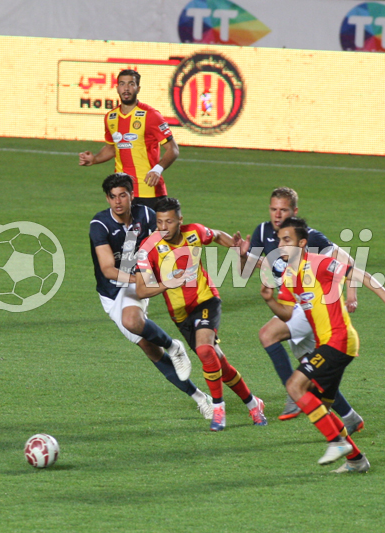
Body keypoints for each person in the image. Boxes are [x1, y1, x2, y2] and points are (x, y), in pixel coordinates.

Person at [261, 217, 385, 473]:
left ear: (302, 243)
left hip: (338, 340)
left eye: (287, 240)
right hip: (328, 344)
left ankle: (337, 442)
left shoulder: (317, 263)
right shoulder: (291, 275)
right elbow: (286, 314)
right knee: (322, 407)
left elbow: (356, 272)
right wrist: (269, 300)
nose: (281, 245)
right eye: (279, 240)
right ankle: (357, 460)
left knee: (296, 386)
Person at [234, 187, 364, 433]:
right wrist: (241, 256)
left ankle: (293, 396)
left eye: (283, 209)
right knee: (312, 368)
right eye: (273, 209)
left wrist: (353, 296)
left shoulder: (310, 237)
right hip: (292, 304)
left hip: (311, 306)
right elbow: (244, 273)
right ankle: (349, 416)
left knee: (268, 335)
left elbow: (349, 262)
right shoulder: (262, 232)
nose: (277, 214)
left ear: (294, 211)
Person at [135, 197, 267, 432]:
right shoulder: (147, 248)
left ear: (180, 221)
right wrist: (168, 283)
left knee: (205, 350)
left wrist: (236, 247)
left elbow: (215, 235)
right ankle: (253, 403)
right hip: (180, 315)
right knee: (218, 362)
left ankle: (218, 409)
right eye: (159, 222)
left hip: (206, 300)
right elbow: (142, 289)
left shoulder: (194, 233)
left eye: (169, 222)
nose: (163, 228)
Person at [90, 173, 213, 420]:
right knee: (149, 348)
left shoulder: (146, 215)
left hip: (139, 281)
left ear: (132, 195)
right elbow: (107, 269)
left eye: (122, 195)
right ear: (107, 198)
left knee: (133, 321)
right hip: (114, 289)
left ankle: (174, 346)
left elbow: (170, 229)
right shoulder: (100, 225)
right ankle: (200, 397)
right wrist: (143, 279)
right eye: (112, 197)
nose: (118, 202)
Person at [79, 69, 179, 210]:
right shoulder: (111, 117)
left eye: (131, 84)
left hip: (149, 190)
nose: (126, 88)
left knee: (156, 232)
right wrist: (94, 159)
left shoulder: (150, 115)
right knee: (127, 233)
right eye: (122, 84)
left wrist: (157, 170)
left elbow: (173, 149)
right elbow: (112, 147)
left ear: (138, 88)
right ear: (117, 88)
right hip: (122, 192)